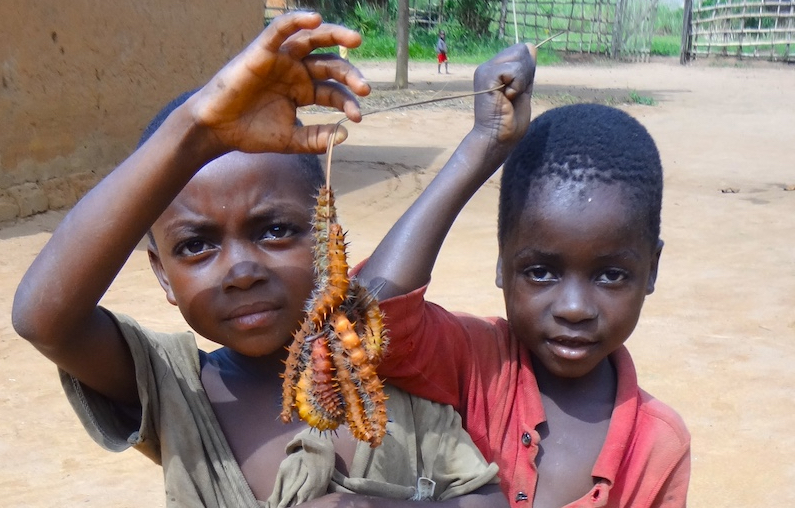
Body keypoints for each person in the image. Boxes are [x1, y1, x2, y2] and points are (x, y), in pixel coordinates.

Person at [11, 11, 533, 508]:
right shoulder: (173, 391)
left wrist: (374, 504)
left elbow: (487, 498)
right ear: (162, 277)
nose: (241, 270)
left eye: (275, 230)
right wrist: (193, 132)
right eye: (197, 245)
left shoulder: (388, 372)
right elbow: (44, 319)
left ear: (329, 241)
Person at [357, 102, 691, 507]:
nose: (573, 307)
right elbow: (370, 319)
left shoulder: (659, 444)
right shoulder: (479, 363)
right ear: (502, 261)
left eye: (610, 275)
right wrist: (480, 146)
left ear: (651, 270)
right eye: (540, 271)